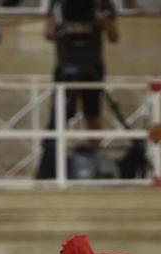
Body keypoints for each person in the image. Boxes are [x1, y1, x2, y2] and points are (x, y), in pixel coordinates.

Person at [36, 0, 118, 179]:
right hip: (66, 64)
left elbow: (114, 36)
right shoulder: (57, 2)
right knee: (60, 116)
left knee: (93, 115)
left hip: (92, 65)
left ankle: (96, 165)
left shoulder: (103, 3)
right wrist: (61, 28)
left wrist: (106, 24)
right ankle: (53, 167)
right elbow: (48, 33)